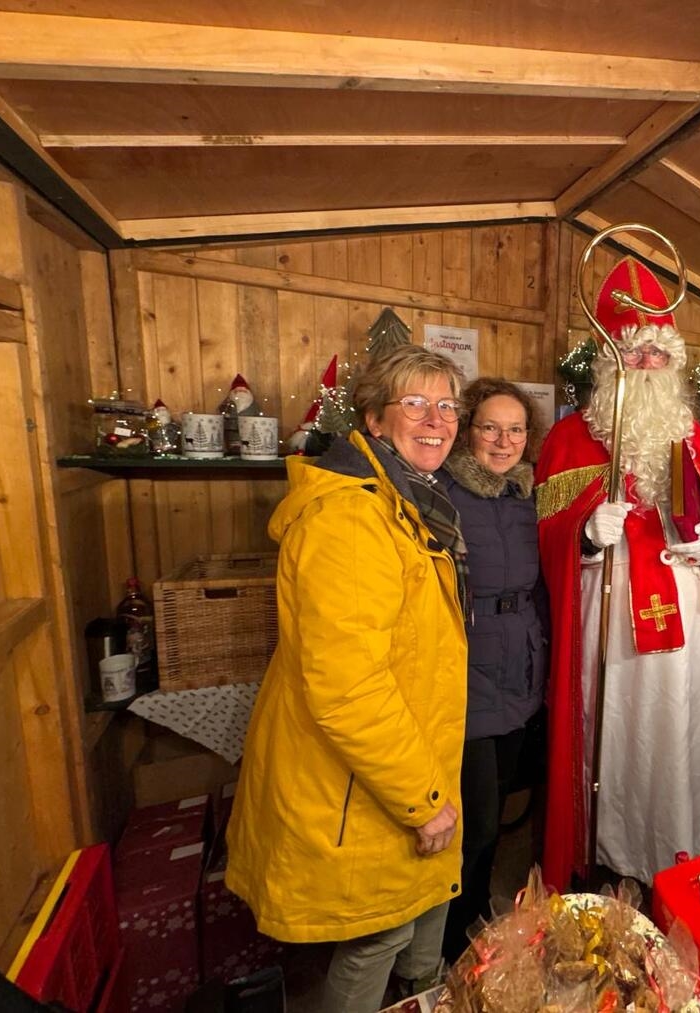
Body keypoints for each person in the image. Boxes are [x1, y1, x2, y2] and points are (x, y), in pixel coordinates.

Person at [226, 346, 469, 1013]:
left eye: (447, 405)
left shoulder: (408, 500)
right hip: (359, 780)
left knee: (414, 913)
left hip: (400, 757)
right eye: (415, 403)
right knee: (378, 934)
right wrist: (422, 797)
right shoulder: (353, 519)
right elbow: (350, 687)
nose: (436, 418)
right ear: (374, 418)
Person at [536, 257, 700, 889]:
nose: (649, 367)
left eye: (660, 355)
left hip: (692, 617)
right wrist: (584, 538)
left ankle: (679, 846)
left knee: (681, 729)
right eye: (636, 355)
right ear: (611, 364)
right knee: (619, 727)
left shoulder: (694, 436)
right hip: (611, 610)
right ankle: (614, 849)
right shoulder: (572, 437)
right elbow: (546, 534)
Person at [435, 378, 546, 961]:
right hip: (469, 664)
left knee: (499, 801)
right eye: (490, 428)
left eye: (516, 429)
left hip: (519, 663)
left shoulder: (525, 496)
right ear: (469, 430)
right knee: (474, 822)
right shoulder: (445, 492)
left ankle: (472, 920)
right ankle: (453, 942)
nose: (503, 441)